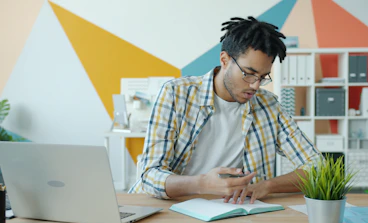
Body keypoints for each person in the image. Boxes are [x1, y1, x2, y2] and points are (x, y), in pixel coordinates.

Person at [129, 16, 321, 204]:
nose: (255, 86)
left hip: (229, 209)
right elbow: (150, 176)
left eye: (262, 77)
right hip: (171, 208)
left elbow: (318, 167)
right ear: (225, 59)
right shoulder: (176, 94)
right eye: (248, 74)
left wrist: (267, 186)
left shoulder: (268, 106)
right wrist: (202, 184)